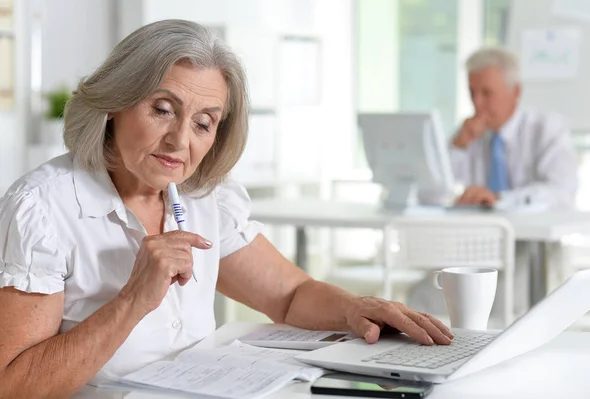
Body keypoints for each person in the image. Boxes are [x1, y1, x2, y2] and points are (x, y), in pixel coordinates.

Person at [0, 20, 453, 398]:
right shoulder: (42, 209)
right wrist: (132, 301)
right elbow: (13, 385)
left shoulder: (204, 196)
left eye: (204, 123)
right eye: (162, 109)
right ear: (114, 103)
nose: (181, 140)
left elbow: (288, 295)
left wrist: (356, 307)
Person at [451, 47, 578, 210]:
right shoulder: (467, 134)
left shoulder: (546, 129)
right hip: (481, 234)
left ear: (516, 92)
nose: (477, 102)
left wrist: (500, 199)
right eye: (472, 92)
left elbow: (562, 192)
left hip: (536, 234)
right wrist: (458, 147)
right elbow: (434, 194)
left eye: (486, 93)